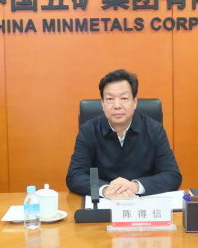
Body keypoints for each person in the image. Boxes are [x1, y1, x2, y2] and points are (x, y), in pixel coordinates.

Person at [66, 69, 181, 198]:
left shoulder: (154, 130)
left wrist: (135, 186)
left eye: (124, 98)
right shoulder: (88, 131)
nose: (117, 105)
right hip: (105, 203)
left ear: (134, 102)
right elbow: (74, 176)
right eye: (110, 99)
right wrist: (105, 190)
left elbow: (172, 175)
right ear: (102, 103)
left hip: (142, 204)